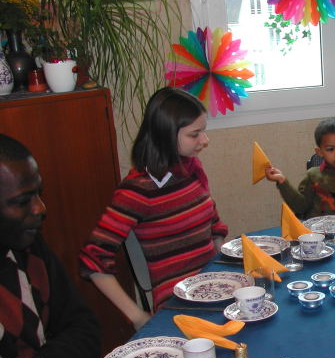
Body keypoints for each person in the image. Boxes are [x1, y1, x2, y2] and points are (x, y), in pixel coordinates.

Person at [79, 87, 228, 329]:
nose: (204, 140)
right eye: (194, 134)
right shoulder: (137, 191)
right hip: (180, 309)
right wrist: (138, 317)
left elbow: (214, 226)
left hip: (215, 294)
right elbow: (93, 259)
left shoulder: (191, 170)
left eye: (203, 131)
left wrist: (226, 271)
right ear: (166, 134)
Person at [0, 135, 100, 358]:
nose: (40, 208)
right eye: (22, 201)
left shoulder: (28, 247)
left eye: (38, 194)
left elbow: (87, 332)